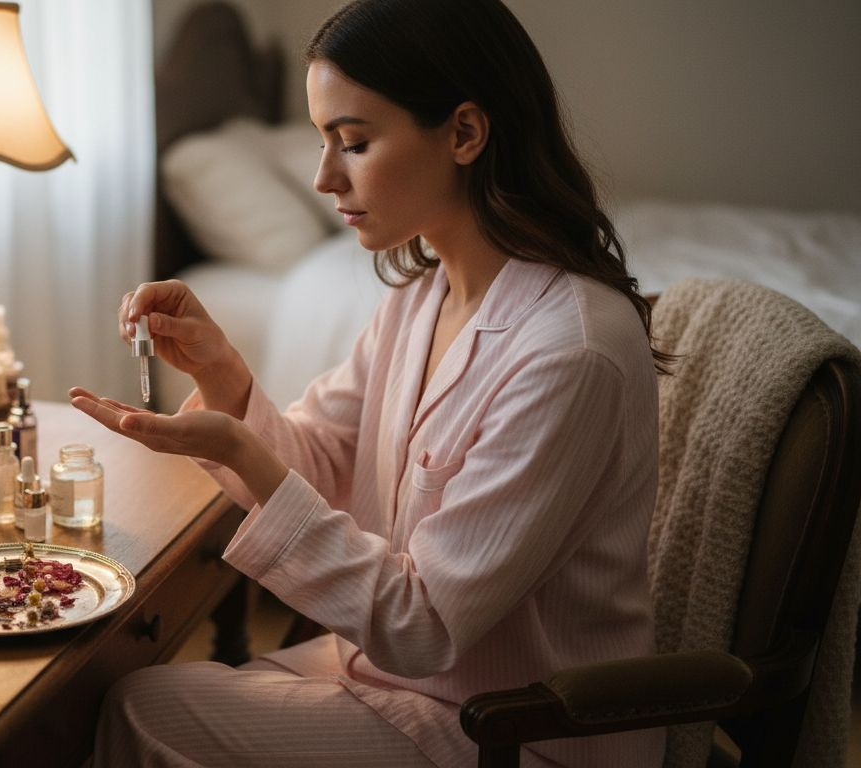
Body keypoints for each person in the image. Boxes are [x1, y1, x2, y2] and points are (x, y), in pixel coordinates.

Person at [71, 0, 668, 765]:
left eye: (352, 143)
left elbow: (424, 626)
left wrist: (245, 455)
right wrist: (224, 380)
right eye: (324, 142)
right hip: (396, 681)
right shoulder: (422, 298)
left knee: (140, 708)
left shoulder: (568, 353)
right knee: (115, 692)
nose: (325, 177)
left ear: (464, 133)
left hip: (517, 730)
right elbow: (323, 461)